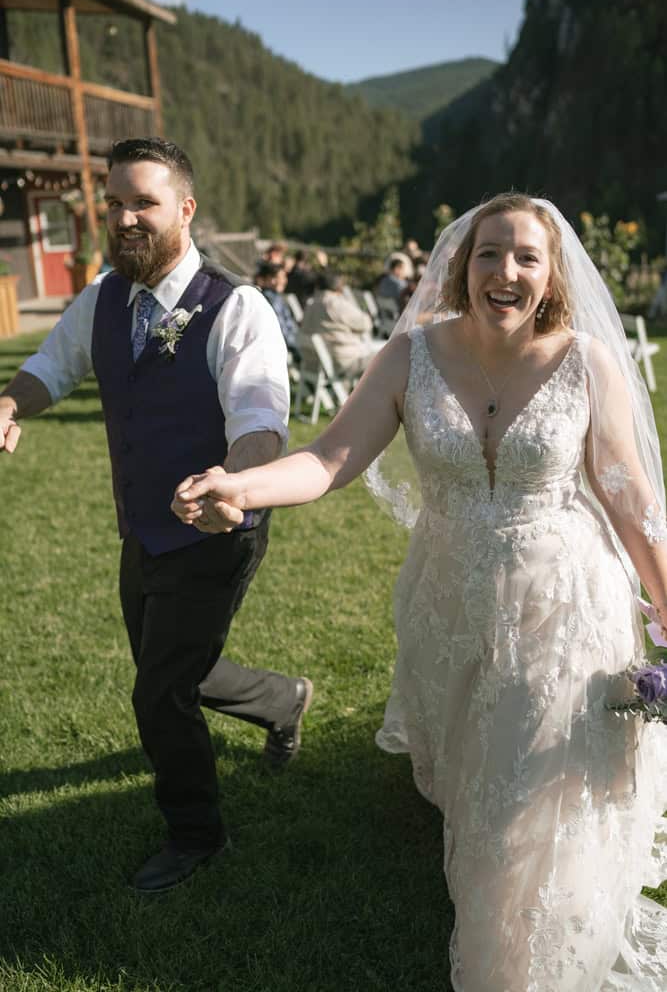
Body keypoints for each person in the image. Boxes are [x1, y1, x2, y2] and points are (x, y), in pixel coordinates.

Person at [172, 193, 667, 988]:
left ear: (551, 277)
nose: (505, 271)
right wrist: (243, 485)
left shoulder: (585, 361)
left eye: (525, 257)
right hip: (449, 600)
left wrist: (666, 597)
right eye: (489, 253)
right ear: (461, 265)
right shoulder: (411, 357)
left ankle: (520, 963)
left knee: (526, 796)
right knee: (474, 776)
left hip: (561, 601)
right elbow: (332, 457)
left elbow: (625, 492)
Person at [0, 137, 314, 894]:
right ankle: (283, 699)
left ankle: (196, 832)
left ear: (185, 209)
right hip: (141, 525)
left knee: (158, 691)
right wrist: (11, 402)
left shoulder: (235, 306)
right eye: (113, 203)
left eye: (142, 201)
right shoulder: (104, 296)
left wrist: (232, 486)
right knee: (170, 668)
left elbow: (260, 416)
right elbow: (52, 367)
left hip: (217, 526)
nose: (124, 217)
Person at [298, 271, 384, 380]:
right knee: (387, 357)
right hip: (343, 362)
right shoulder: (335, 304)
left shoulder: (311, 304)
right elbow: (365, 323)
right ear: (339, 288)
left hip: (314, 363)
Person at [254, 259, 301, 363]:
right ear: (266, 279)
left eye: (284, 277)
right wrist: (297, 347)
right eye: (278, 278)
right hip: (283, 347)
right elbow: (281, 329)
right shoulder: (272, 300)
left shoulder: (274, 297)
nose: (283, 281)